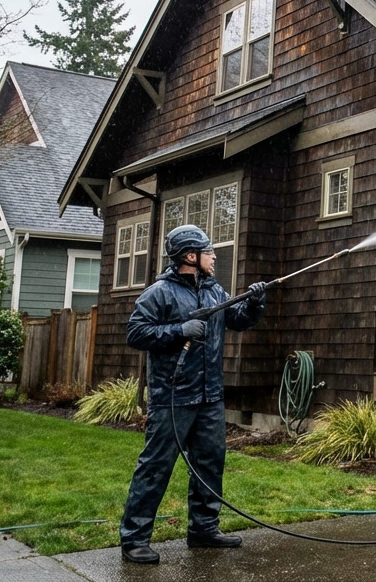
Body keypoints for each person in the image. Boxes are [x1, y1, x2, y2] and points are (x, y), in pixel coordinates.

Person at [119, 224, 267, 564]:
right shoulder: (160, 293)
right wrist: (178, 330)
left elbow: (239, 319)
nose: (214, 256)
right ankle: (134, 539)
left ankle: (203, 530)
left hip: (210, 396)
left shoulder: (215, 291)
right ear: (190, 256)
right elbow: (136, 332)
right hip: (173, 396)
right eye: (208, 251)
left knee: (210, 464)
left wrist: (256, 302)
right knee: (156, 467)